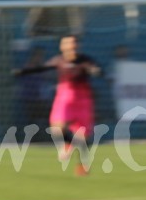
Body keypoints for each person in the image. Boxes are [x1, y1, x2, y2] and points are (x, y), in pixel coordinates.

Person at [14, 34, 101, 175]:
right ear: (62, 46)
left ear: (77, 46)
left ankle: (83, 165)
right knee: (57, 128)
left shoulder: (85, 60)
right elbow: (41, 68)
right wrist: (23, 71)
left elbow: (94, 68)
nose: (71, 46)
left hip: (83, 100)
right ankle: (68, 144)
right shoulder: (58, 60)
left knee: (83, 136)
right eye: (67, 43)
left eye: (73, 43)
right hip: (64, 97)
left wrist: (96, 71)